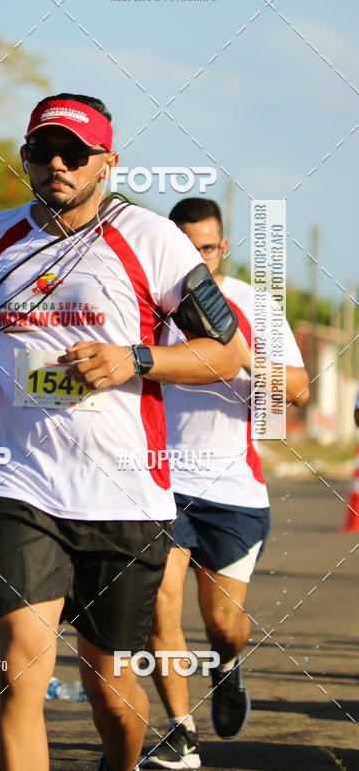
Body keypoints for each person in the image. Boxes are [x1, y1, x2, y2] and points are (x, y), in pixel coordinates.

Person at [0, 96, 241, 771]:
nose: (58, 165)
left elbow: (227, 351)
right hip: (22, 485)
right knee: (19, 669)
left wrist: (135, 359)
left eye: (75, 153)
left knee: (109, 684)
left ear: (109, 162)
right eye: (43, 151)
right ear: (26, 159)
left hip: (126, 499)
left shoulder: (153, 238)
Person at [140, 198, 309, 770]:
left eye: (206, 249)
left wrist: (239, 358)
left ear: (223, 248)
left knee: (222, 624)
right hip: (158, 483)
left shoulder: (252, 304)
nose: (197, 259)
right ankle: (181, 734)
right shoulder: (150, 302)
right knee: (159, 605)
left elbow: (298, 389)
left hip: (233, 491)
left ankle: (229, 665)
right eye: (185, 248)